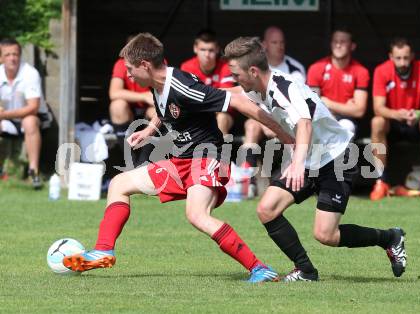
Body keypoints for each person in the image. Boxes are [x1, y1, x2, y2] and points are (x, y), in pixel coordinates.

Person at [62, 33, 296, 283]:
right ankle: (103, 251)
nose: (128, 75)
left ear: (145, 66)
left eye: (130, 70)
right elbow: (166, 111)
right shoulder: (157, 85)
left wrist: (285, 135)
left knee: (196, 215)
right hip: (182, 160)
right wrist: (149, 130)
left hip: (207, 157)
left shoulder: (183, 87)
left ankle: (259, 268)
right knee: (119, 184)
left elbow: (239, 101)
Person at [224, 36, 407, 282]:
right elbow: (235, 95)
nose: (234, 79)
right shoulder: (256, 86)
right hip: (308, 158)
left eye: (236, 74)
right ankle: (306, 271)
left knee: (326, 235)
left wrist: (297, 163)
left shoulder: (285, 87)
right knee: (267, 209)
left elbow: (305, 124)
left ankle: (389, 238)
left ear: (253, 71)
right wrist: (197, 92)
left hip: (336, 157)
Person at [370, 37, 420, 201]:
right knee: (376, 121)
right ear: (391, 57)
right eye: (398, 58)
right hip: (393, 122)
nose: (402, 63)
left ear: (412, 56)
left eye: (406, 58)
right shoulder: (382, 71)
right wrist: (397, 114)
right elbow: (378, 108)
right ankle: (380, 181)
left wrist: (417, 114)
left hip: (415, 122)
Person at [241, 26, 306, 197]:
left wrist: (274, 122)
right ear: (264, 45)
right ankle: (247, 180)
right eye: (274, 42)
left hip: (288, 121)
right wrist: (265, 121)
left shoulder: (295, 69)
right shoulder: (255, 68)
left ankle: (293, 178)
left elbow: (296, 106)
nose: (280, 46)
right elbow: (249, 99)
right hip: (262, 120)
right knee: (251, 125)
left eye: (282, 42)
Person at [0, 38, 52, 189]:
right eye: (8, 54)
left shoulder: (30, 73)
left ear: (20, 56)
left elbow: (33, 108)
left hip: (36, 118)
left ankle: (33, 172)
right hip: (9, 119)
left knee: (29, 121)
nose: (12, 58)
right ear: (1, 57)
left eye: (15, 54)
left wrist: (3, 115)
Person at [307, 29, 369, 135]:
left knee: (346, 127)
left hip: (347, 120)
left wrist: (327, 102)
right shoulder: (316, 68)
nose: (338, 45)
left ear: (352, 46)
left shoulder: (361, 71)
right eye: (335, 41)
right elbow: (312, 106)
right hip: (322, 117)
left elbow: (359, 111)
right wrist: (347, 108)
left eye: (343, 42)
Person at [109, 35, 156, 163]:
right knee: (117, 106)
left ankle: (143, 163)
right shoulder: (121, 64)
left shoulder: (156, 63)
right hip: (130, 113)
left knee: (158, 110)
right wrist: (144, 97)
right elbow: (114, 93)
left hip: (149, 113)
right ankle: (131, 162)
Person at [181, 29, 235, 135]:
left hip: (221, 114)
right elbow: (187, 99)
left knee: (222, 118)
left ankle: (220, 151)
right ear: (195, 49)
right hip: (196, 115)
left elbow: (225, 98)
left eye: (211, 50)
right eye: (203, 50)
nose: (207, 54)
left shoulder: (226, 67)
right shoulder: (187, 67)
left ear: (217, 50)